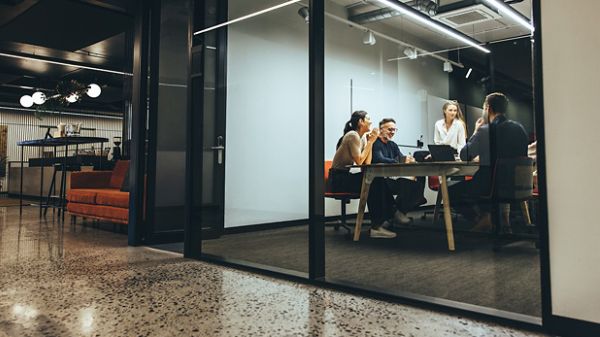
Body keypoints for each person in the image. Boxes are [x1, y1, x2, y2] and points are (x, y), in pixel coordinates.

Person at [449, 92, 529, 229]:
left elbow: (464, 155)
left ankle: (482, 218)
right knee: (486, 179)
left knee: (451, 192)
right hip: (517, 184)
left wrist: (475, 131)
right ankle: (494, 217)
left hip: (491, 184)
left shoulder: (486, 130)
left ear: (488, 109)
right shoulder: (520, 129)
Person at [331, 111, 397, 239]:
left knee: (375, 179)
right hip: (338, 179)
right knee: (374, 181)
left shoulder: (361, 137)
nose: (371, 121)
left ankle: (387, 216)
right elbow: (360, 161)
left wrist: (369, 142)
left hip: (345, 177)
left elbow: (366, 164)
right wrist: (371, 142)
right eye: (368, 119)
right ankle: (378, 225)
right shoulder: (352, 136)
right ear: (361, 122)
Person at [372, 118, 426, 225]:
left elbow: (402, 158)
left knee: (417, 184)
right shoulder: (376, 143)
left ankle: (398, 211)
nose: (392, 132)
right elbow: (379, 159)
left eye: (394, 130)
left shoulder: (393, 145)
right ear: (381, 129)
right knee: (407, 185)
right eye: (389, 129)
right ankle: (397, 212)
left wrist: (409, 160)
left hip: (392, 178)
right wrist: (397, 161)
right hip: (380, 181)